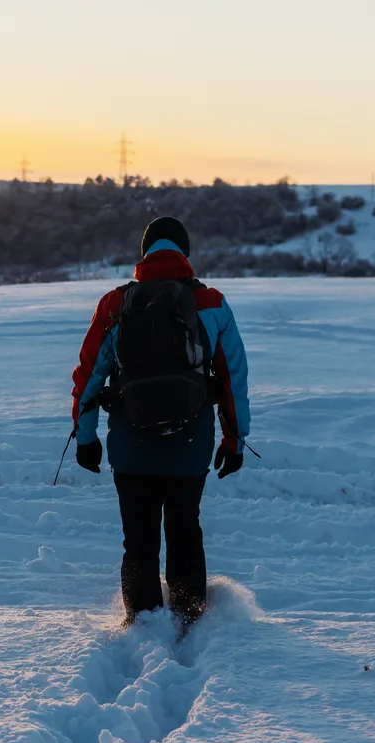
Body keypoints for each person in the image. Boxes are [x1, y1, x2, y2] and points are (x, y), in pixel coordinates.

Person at [69, 216, 251, 630]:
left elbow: (89, 376)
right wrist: (234, 441)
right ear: (185, 253)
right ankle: (189, 622)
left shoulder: (114, 304)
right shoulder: (211, 303)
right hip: (191, 443)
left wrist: (86, 438)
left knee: (139, 539)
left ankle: (143, 624)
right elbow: (233, 379)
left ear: (143, 253)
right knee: (185, 529)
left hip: (130, 443)